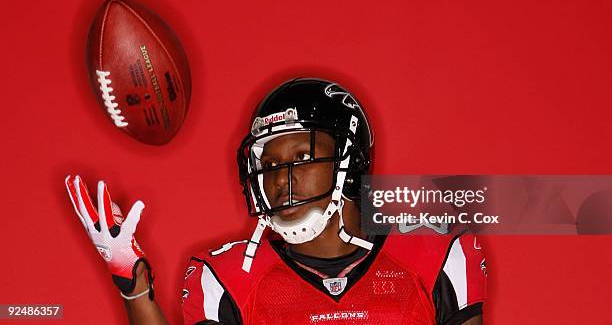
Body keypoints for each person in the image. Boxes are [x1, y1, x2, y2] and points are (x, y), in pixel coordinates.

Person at [66, 78, 487, 325]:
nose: (281, 178)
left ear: (351, 159)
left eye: (302, 157)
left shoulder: (438, 254)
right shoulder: (227, 278)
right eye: (267, 164)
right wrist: (135, 289)